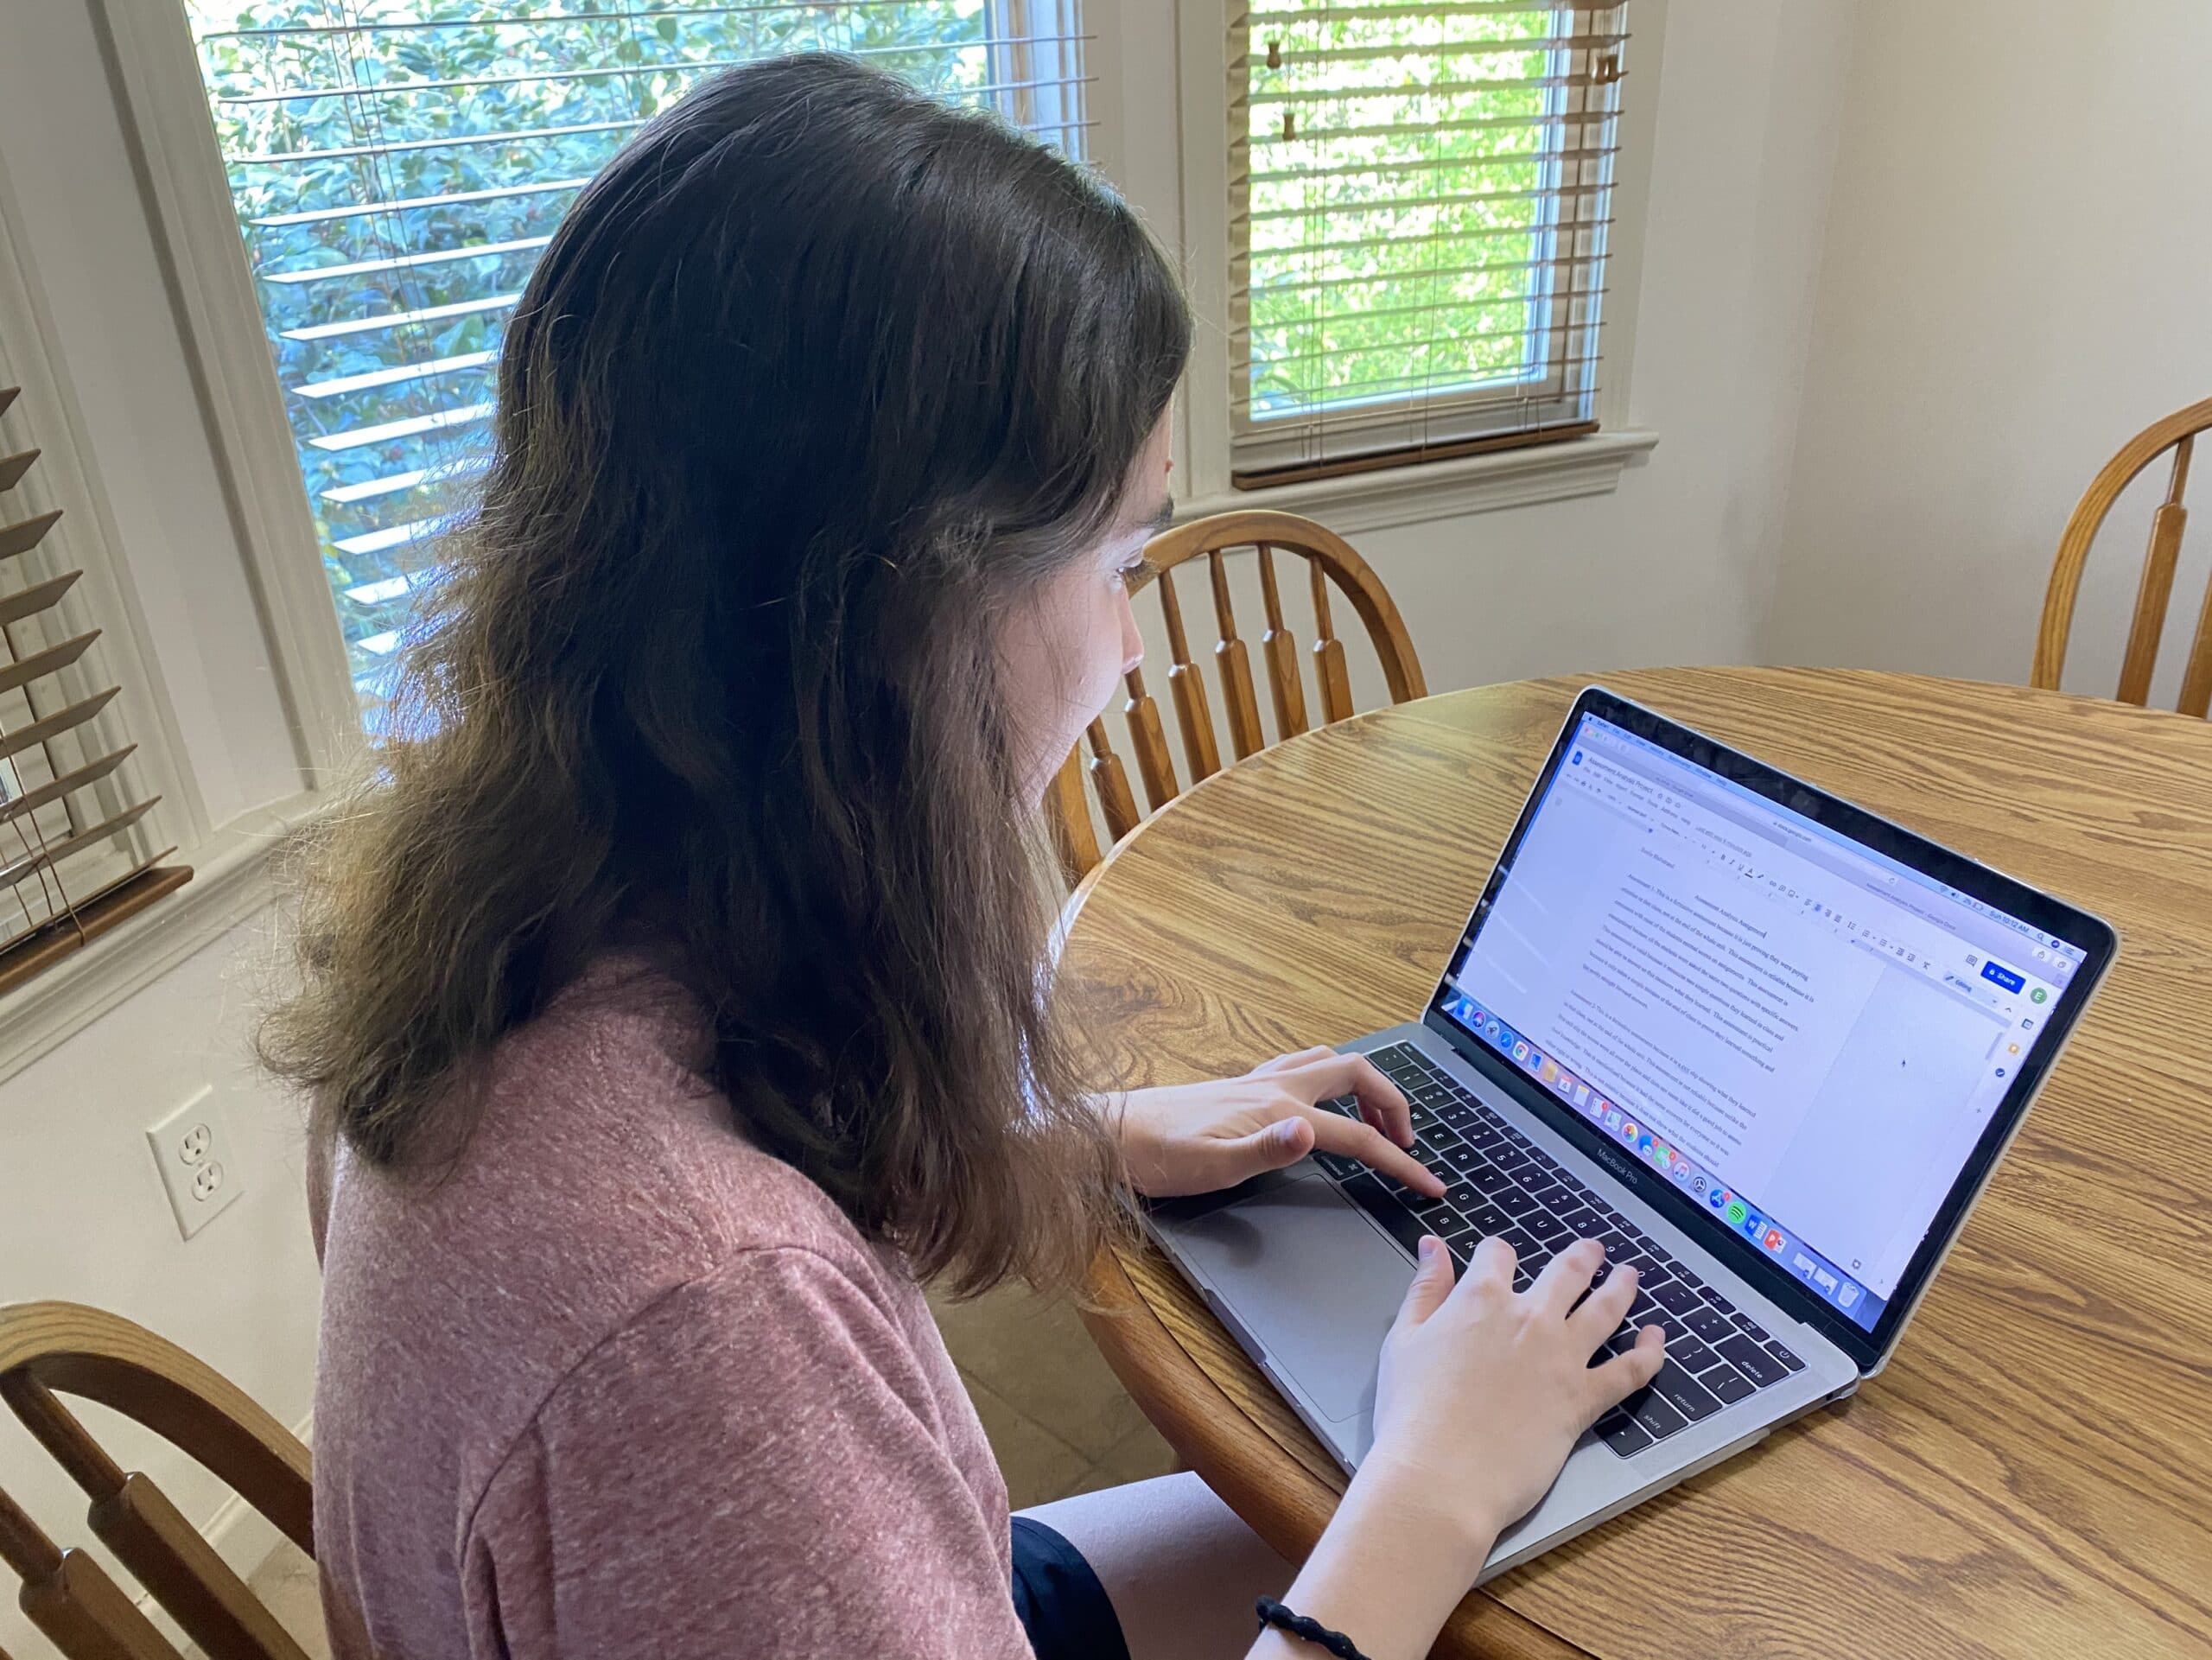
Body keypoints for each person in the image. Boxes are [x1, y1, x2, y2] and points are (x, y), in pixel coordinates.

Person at [270, 53, 1664, 1660]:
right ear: (911, 618)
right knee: (1449, 1535)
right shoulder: (705, 1334)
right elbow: (717, 1324)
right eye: (1123, 557)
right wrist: (1430, 1483)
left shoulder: (505, 936)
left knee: (1357, 1499)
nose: (1133, 652)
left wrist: (1083, 1140)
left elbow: (750, 1141)